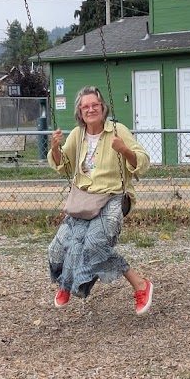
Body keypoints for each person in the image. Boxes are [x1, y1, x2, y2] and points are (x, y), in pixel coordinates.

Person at [47, 86, 155, 314]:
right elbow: (63, 165)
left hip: (113, 196)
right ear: (80, 111)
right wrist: (55, 148)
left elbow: (143, 161)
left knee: (95, 244)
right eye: (85, 106)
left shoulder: (117, 130)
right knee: (58, 247)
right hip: (84, 199)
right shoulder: (77, 135)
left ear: (102, 107)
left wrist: (124, 149)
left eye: (94, 105)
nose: (91, 109)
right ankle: (66, 282)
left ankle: (140, 285)